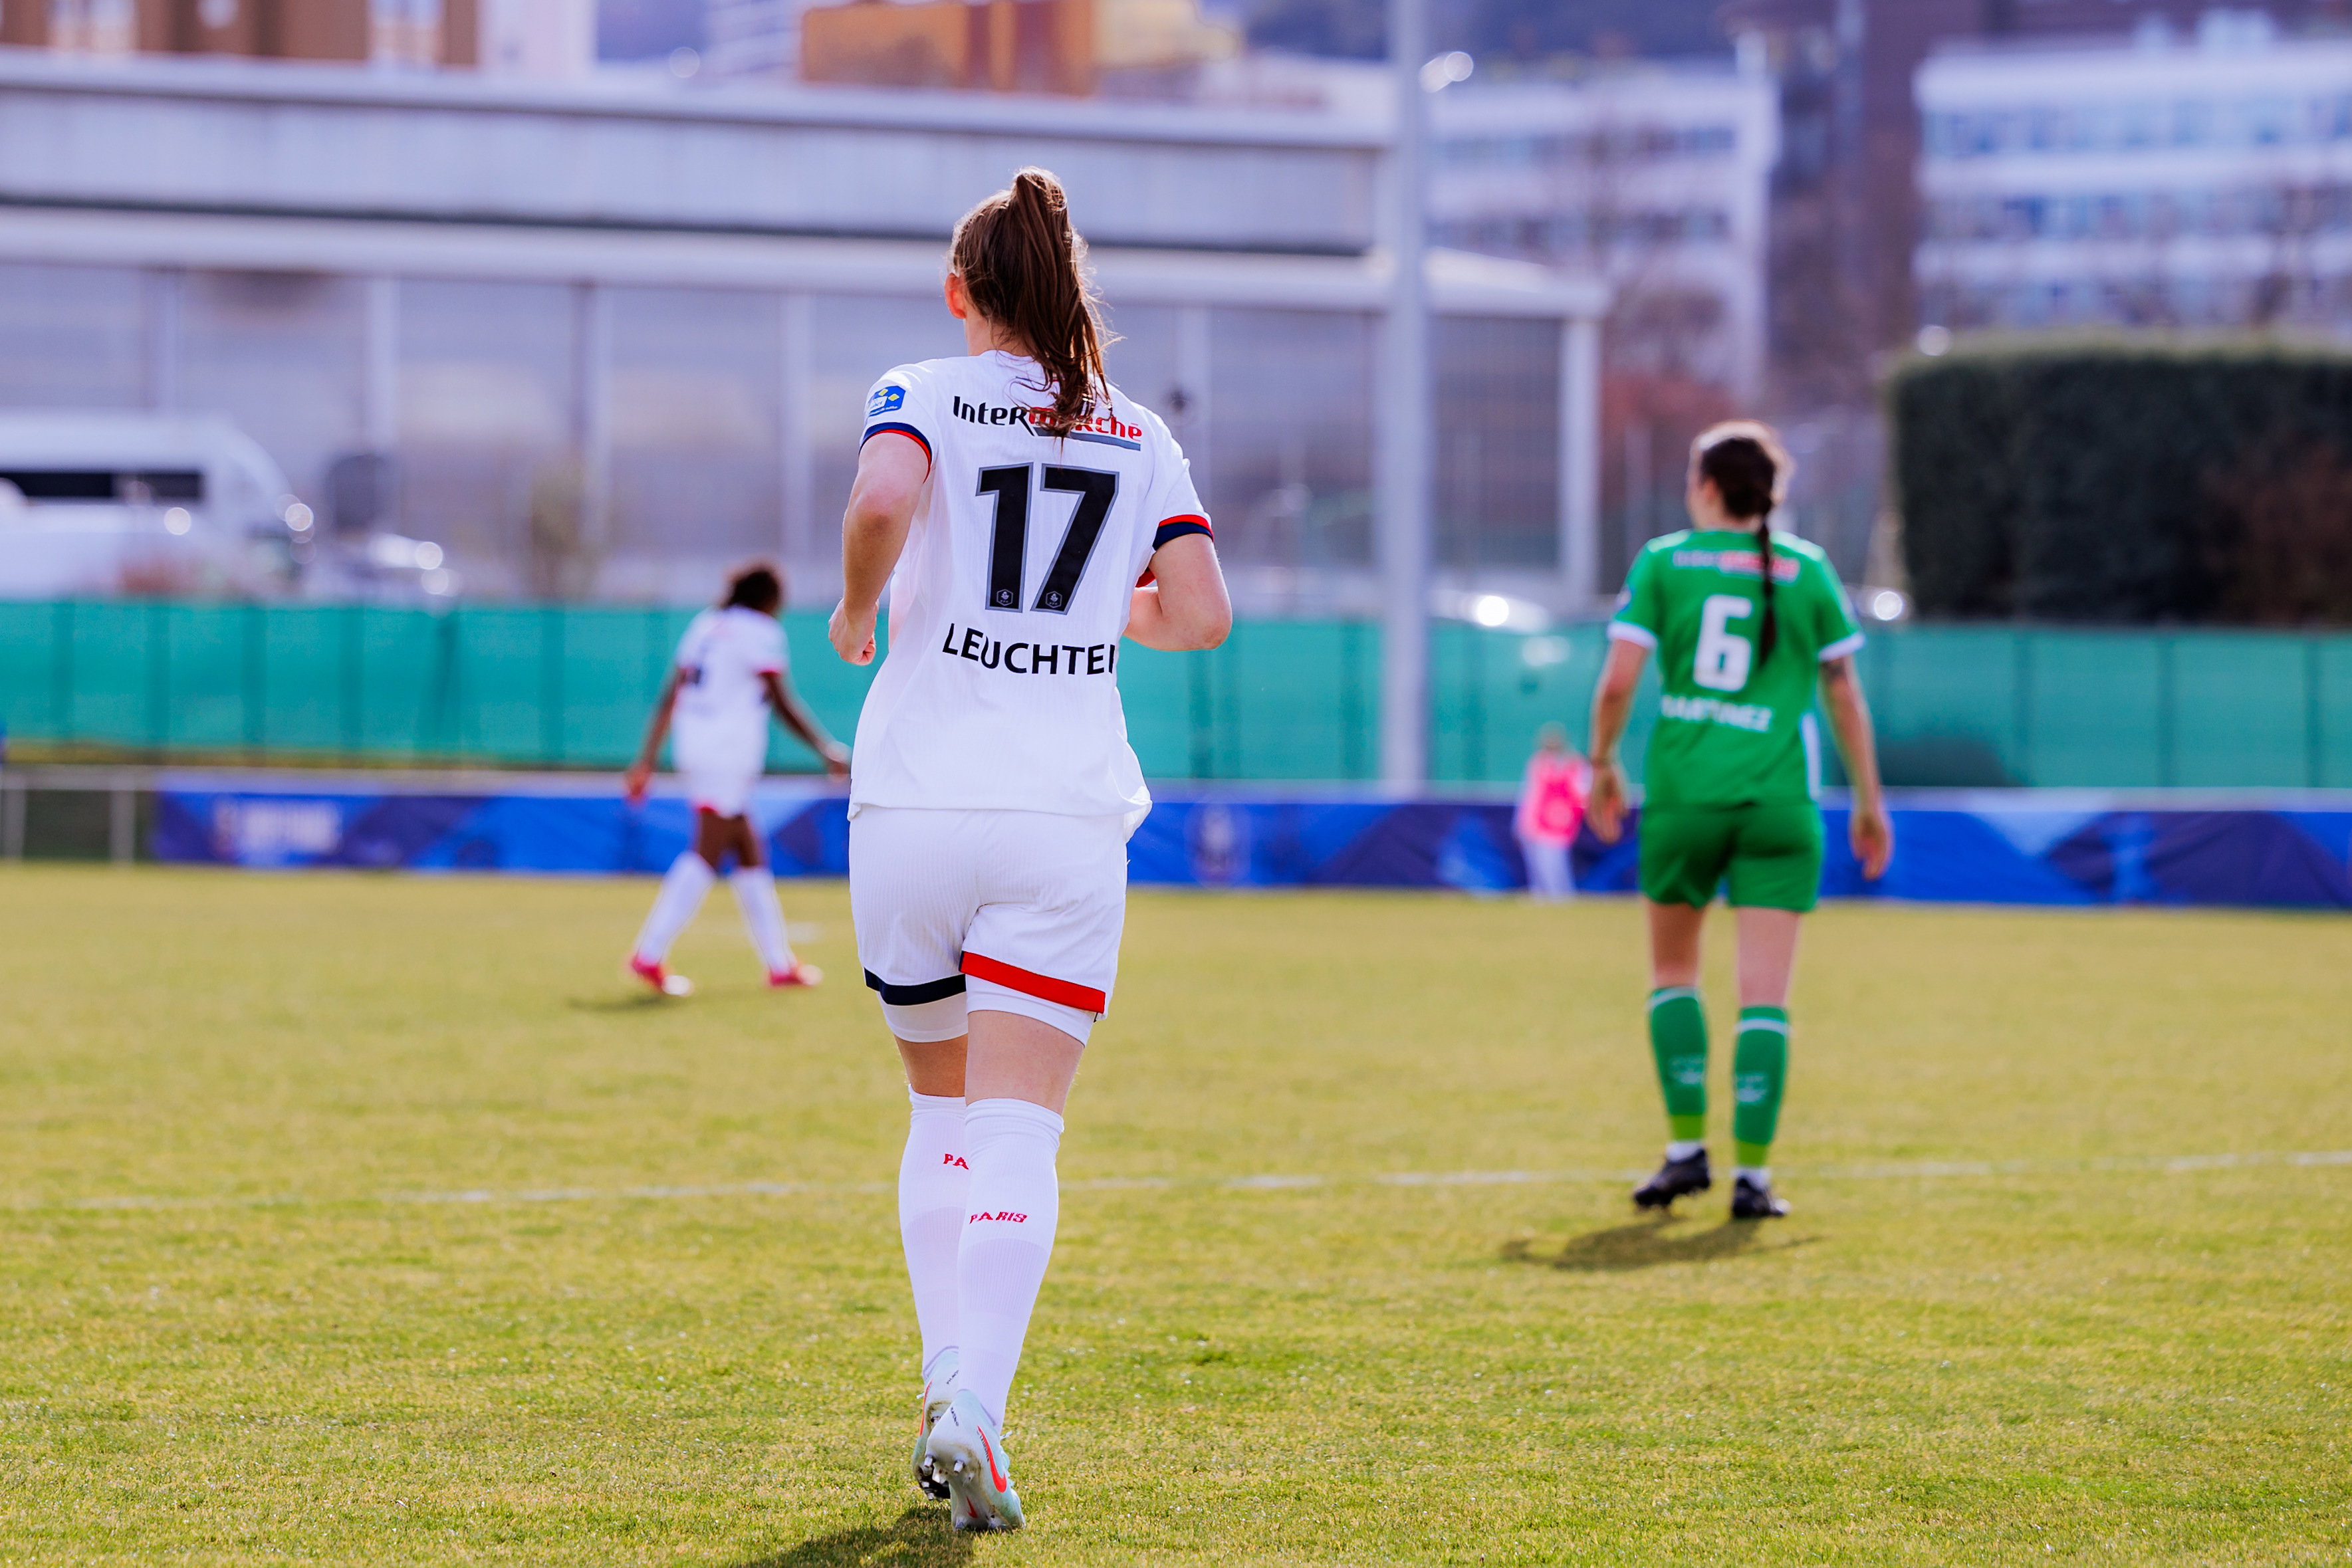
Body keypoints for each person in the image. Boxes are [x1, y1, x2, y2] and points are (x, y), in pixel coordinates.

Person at [826, 168, 1231, 1532]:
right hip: (1058, 815)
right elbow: (1202, 609)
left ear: (960, 297)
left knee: (939, 1114)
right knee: (1016, 1126)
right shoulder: (1140, 432)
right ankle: (975, 1405)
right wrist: (1093, 619)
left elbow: (884, 501)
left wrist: (855, 608)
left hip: (912, 809)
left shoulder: (922, 387)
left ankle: (945, 1382)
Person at [1586, 421, 1893, 1221]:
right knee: (1765, 999)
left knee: (1672, 976)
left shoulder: (1662, 561)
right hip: (1779, 805)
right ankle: (1754, 1179)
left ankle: (1686, 1152)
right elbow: (1844, 694)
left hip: (1687, 797)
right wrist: (1868, 800)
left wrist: (1602, 763)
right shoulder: (1809, 570)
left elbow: (1618, 683)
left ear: (1708, 487)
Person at [622, 563, 849, 996]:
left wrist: (647, 759)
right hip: (727, 752)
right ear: (767, 598)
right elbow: (781, 699)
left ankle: (779, 964)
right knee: (707, 850)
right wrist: (825, 748)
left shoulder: (706, 624)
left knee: (748, 852)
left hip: (696, 746)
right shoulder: (759, 630)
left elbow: (672, 693)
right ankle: (648, 952)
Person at [1514, 722, 1589, 901]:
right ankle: (1541, 897)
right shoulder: (1538, 763)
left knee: (1554, 865)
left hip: (1558, 825)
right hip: (1534, 824)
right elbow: (1529, 795)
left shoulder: (1575, 765)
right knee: (1537, 866)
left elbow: (1583, 794)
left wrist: (1571, 814)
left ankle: (1562, 898)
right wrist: (1522, 823)